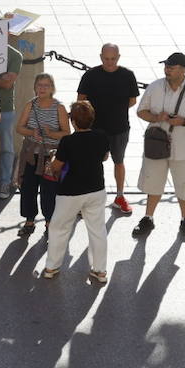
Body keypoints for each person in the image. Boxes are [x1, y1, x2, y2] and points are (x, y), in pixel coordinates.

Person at [133, 52, 185, 241]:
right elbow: (141, 111)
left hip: (184, 147)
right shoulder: (155, 87)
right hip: (157, 146)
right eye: (166, 66)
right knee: (153, 182)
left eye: (171, 67)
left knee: (184, 184)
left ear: (183, 70)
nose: (167, 69)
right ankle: (148, 217)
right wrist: (156, 117)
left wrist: (184, 122)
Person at [41, 102, 109, 283]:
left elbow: (56, 167)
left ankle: (52, 267)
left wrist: (53, 157)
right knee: (97, 230)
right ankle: (100, 270)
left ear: (73, 122)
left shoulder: (68, 141)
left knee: (59, 228)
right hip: (96, 189)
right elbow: (104, 157)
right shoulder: (102, 136)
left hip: (70, 192)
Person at [76, 44, 139, 215]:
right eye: (106, 58)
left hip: (119, 128)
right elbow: (80, 101)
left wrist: (115, 109)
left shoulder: (127, 75)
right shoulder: (90, 76)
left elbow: (132, 100)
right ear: (101, 57)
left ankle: (119, 196)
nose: (109, 62)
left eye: (113, 58)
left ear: (118, 57)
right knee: (90, 164)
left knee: (119, 162)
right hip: (95, 129)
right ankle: (86, 200)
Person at [15, 73, 70, 236]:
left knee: (49, 192)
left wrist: (51, 134)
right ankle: (29, 221)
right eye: (39, 85)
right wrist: (32, 131)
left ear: (52, 88)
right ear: (35, 87)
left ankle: (49, 223)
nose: (42, 88)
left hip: (50, 158)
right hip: (31, 155)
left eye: (46, 85)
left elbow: (67, 133)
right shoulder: (30, 105)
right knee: (27, 188)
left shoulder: (59, 107)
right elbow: (19, 128)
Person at [0, 28, 23, 199]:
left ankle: (5, 181)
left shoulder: (15, 55)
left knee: (7, 147)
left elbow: (7, 84)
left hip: (5, 107)